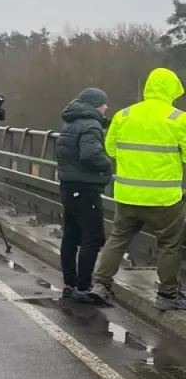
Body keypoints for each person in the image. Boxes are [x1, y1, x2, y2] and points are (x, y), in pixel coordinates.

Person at [91, 69, 186, 310]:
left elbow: (110, 149)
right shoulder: (178, 119)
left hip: (127, 195)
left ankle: (101, 284)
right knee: (169, 245)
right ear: (172, 90)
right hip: (164, 199)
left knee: (117, 239)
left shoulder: (124, 115)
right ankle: (166, 295)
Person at [55, 88, 113, 304]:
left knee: (70, 235)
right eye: (104, 104)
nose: (106, 107)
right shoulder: (90, 124)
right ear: (95, 104)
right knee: (94, 237)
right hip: (85, 187)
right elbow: (90, 153)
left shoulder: (71, 121)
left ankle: (69, 284)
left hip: (69, 185)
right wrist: (109, 164)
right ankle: (82, 286)